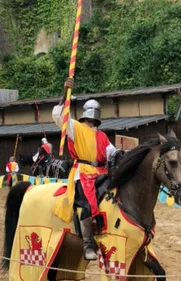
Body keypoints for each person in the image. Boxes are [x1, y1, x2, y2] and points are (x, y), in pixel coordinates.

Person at [51, 78, 117, 261]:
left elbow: (111, 152)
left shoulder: (102, 135)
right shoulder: (76, 128)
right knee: (88, 204)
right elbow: (58, 115)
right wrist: (65, 93)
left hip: (100, 173)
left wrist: (124, 153)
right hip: (83, 174)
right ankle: (88, 243)